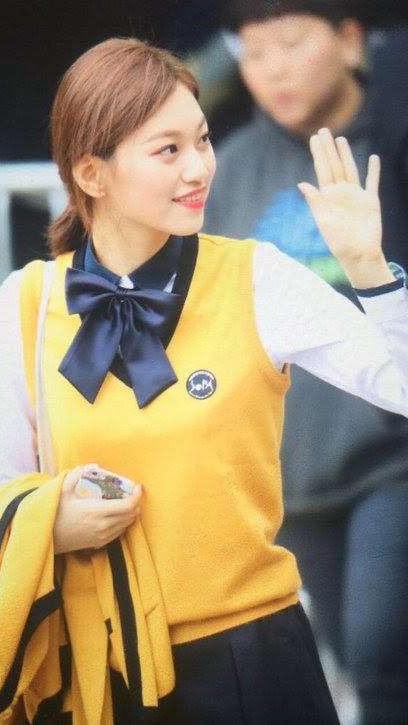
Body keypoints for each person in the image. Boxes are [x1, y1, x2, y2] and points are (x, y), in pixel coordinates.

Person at [0, 37, 407, 725]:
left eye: (203, 140)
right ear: (92, 174)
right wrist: (52, 526)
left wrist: (370, 269)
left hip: (252, 658)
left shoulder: (256, 276)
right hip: (98, 669)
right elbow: (0, 492)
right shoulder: (28, 300)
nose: (199, 167)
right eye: (168, 150)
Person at [203, 2, 408, 723]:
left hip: (390, 458)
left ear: (350, 41)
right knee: (358, 657)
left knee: (381, 649)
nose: (273, 70)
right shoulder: (230, 167)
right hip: (291, 474)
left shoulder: (395, 144)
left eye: (291, 44)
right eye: (253, 53)